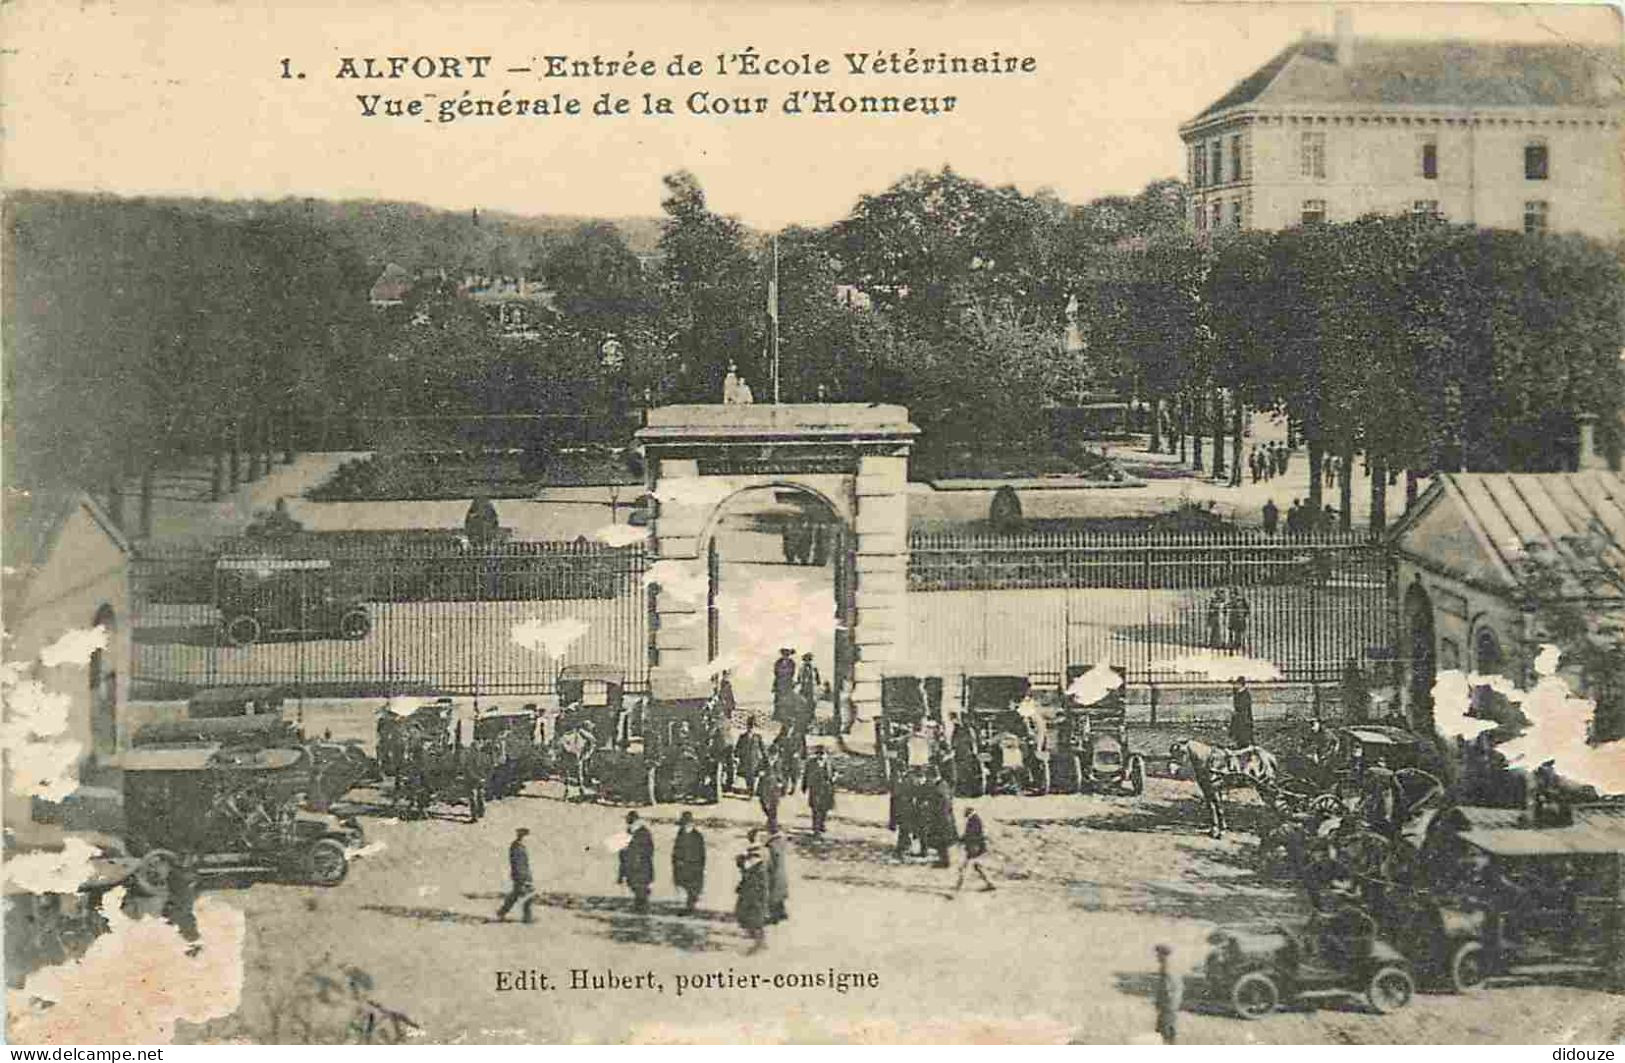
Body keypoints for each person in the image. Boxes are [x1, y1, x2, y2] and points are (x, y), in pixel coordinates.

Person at [735, 831, 770, 953]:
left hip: (754, 889)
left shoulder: (756, 853)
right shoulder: (757, 851)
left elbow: (747, 865)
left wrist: (741, 860)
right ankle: (759, 941)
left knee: (753, 915)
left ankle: (759, 943)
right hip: (753, 888)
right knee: (751, 915)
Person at [496, 828, 538, 923]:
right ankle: (527, 917)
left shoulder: (519, 846)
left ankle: (502, 912)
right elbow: (517, 863)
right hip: (521, 875)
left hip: (522, 874)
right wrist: (524, 876)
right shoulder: (517, 847)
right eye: (526, 836)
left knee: (516, 894)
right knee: (528, 894)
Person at [618, 811, 655, 914]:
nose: (631, 824)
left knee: (641, 888)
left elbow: (649, 850)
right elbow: (622, 852)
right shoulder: (628, 832)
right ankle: (640, 906)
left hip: (642, 867)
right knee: (634, 886)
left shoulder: (644, 833)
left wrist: (639, 858)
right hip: (630, 866)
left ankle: (642, 908)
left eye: (633, 822)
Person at [952, 806, 995, 893]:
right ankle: (990, 884)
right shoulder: (975, 820)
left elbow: (971, 835)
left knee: (965, 867)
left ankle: (958, 888)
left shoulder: (974, 820)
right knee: (976, 867)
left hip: (974, 848)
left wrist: (962, 840)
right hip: (976, 847)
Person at [672, 811, 706, 914]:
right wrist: (676, 862)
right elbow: (676, 850)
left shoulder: (697, 836)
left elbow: (700, 854)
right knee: (682, 887)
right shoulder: (680, 834)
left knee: (691, 889)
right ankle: (686, 907)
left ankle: (690, 908)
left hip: (692, 867)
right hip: (681, 867)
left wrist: (696, 866)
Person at [802, 746, 837, 834]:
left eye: (822, 754)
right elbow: (806, 775)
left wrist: (833, 778)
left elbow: (835, 772)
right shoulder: (810, 763)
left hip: (826, 788)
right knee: (815, 808)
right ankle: (815, 827)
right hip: (815, 788)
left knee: (824, 808)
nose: (820, 756)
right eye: (818, 754)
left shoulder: (829, 762)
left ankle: (822, 824)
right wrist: (804, 786)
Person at [1154, 944, 1182, 1044]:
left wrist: (1161, 1002)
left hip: (1167, 1004)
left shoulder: (1166, 968)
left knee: (1164, 1030)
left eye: (1158, 954)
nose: (1157, 957)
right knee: (1169, 1029)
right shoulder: (1172, 966)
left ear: (1163, 955)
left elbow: (1166, 988)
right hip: (1172, 1003)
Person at [734, 717, 766, 796]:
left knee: (753, 777)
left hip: (754, 760)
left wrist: (765, 759)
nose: (750, 728)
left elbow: (763, 749)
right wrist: (736, 756)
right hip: (745, 760)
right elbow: (738, 748)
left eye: (752, 726)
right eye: (749, 726)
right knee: (747, 777)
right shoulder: (742, 737)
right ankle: (750, 789)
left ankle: (751, 792)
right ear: (747, 726)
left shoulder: (758, 737)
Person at [765, 826, 790, 924]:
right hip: (778, 873)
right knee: (777, 892)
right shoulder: (778, 846)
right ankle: (780, 912)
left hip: (775, 873)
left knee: (774, 892)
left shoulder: (775, 848)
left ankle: (776, 914)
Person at [772, 648, 798, 723]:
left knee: (788, 699)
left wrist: (788, 678)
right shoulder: (778, 662)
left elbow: (792, 673)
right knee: (778, 699)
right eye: (784, 654)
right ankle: (777, 716)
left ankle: (787, 715)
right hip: (780, 682)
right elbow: (776, 672)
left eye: (787, 655)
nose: (785, 656)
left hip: (788, 682)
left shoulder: (792, 663)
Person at [757, 755, 782, 832]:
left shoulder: (779, 762)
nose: (772, 758)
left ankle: (773, 825)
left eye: (774, 756)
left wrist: (781, 782)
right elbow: (756, 770)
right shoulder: (763, 761)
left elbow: (783, 773)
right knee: (763, 804)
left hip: (774, 787)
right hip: (764, 785)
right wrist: (759, 772)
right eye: (771, 756)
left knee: (773, 806)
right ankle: (771, 821)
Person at [1230, 677, 1255, 748]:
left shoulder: (1245, 694)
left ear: (1240, 684)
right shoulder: (1238, 693)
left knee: (1243, 735)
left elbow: (1244, 707)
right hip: (1239, 717)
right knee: (1237, 734)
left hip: (1243, 718)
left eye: (1237, 684)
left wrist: (1236, 710)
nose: (1235, 686)